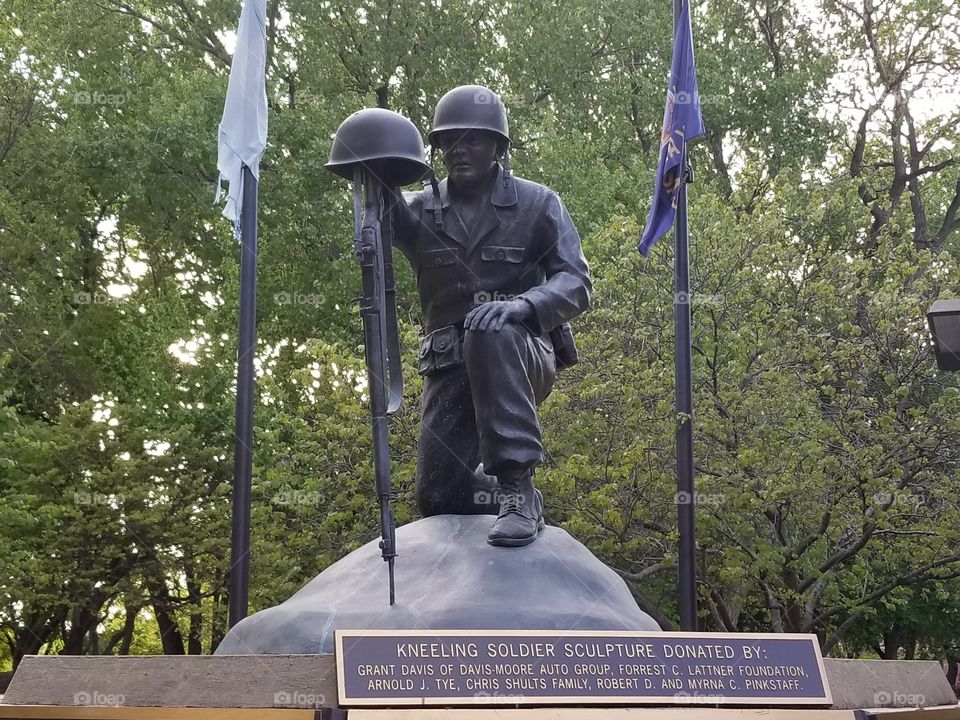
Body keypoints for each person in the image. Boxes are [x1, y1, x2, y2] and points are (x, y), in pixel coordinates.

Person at [388, 85, 592, 547]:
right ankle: (498, 492)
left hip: (519, 355)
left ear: (498, 146)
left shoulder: (538, 204)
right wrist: (374, 173)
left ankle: (518, 487)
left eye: (472, 140)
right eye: (448, 141)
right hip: (448, 366)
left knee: (490, 326)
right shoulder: (420, 210)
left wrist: (522, 306)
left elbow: (577, 283)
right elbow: (376, 230)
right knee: (438, 496)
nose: (458, 150)